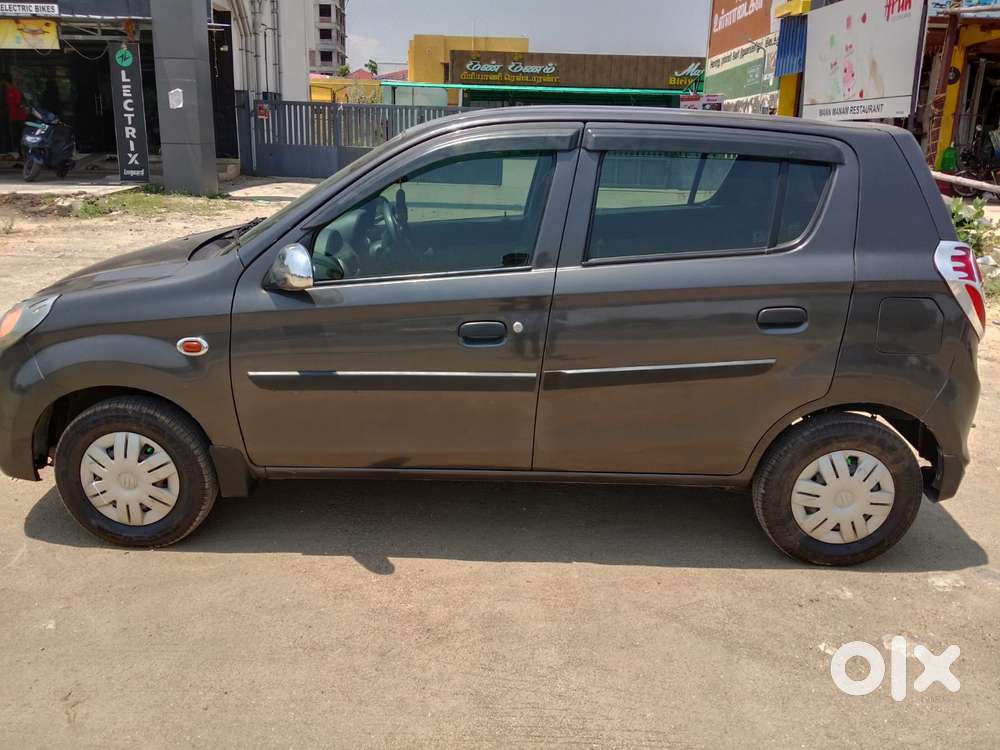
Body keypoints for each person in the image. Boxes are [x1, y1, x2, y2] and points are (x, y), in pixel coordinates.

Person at [4, 75, 27, 156]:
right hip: (13, 117)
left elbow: (19, 103)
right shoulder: (7, 92)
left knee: (20, 135)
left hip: (19, 117)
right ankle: (19, 153)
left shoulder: (15, 91)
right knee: (15, 136)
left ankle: (23, 153)